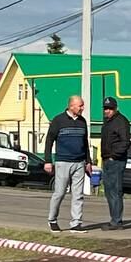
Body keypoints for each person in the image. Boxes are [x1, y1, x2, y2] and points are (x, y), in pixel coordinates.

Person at [44, 95, 92, 232]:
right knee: (59, 193)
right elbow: (49, 141)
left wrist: (88, 161)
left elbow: (85, 143)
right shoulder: (58, 120)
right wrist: (48, 161)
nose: (83, 108)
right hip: (63, 162)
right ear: (71, 106)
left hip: (79, 162)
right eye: (80, 105)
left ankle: (76, 223)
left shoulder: (82, 122)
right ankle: (52, 219)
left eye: (83, 105)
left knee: (78, 195)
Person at [99, 97, 131, 230]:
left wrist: (113, 156)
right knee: (109, 190)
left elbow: (125, 142)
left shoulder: (121, 121)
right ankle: (114, 219)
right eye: (106, 108)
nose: (107, 111)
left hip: (116, 161)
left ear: (115, 108)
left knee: (115, 190)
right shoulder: (108, 122)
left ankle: (116, 221)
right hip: (107, 160)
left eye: (110, 108)